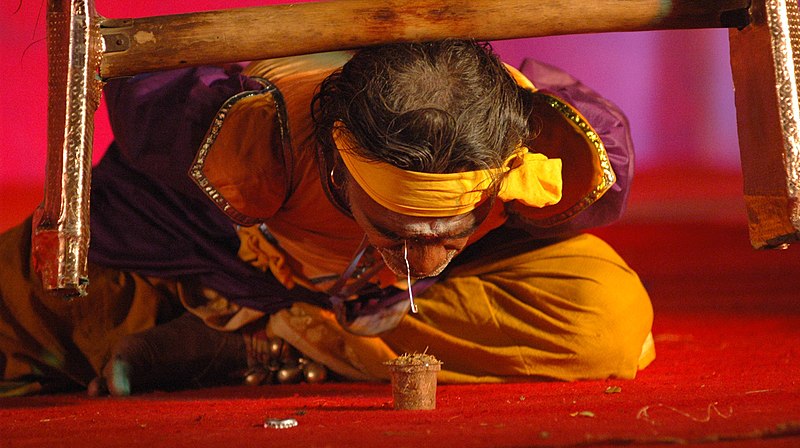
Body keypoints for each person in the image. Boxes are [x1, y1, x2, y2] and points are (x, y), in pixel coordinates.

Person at [0, 40, 654, 396]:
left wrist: (445, 244)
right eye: (396, 230)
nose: (420, 260)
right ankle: (281, 329)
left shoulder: (542, 145)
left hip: (401, 307)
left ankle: (266, 345)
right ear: (337, 166)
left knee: (605, 316)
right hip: (213, 270)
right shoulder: (234, 137)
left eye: (451, 233)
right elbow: (139, 170)